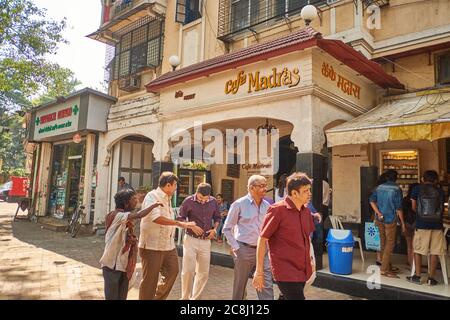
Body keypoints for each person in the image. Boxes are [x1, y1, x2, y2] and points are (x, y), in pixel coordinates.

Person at [253, 172, 316, 300]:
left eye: (309, 190)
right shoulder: (277, 210)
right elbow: (262, 239)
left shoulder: (306, 212)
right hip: (285, 271)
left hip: (303, 269)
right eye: (305, 191)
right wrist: (259, 272)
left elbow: (307, 239)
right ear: (294, 193)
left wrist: (311, 261)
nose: (309, 193)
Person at [138, 172, 198, 300]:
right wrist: (179, 223)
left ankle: (157, 298)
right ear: (168, 185)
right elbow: (156, 218)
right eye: (175, 185)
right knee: (150, 281)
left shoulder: (168, 198)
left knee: (173, 272)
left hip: (168, 246)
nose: (176, 188)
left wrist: (182, 224)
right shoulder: (152, 196)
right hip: (151, 246)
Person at [99, 189, 163, 300]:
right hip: (111, 265)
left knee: (122, 297)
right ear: (125, 203)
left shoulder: (124, 218)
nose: (136, 201)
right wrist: (154, 205)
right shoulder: (116, 215)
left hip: (123, 265)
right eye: (133, 199)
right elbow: (139, 214)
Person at [223, 175, 274, 300]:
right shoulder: (239, 204)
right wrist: (236, 247)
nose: (265, 189)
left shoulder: (267, 206)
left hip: (263, 251)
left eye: (265, 185)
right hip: (244, 250)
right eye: (261, 186)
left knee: (266, 284)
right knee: (240, 286)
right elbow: (227, 228)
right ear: (251, 188)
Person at [178, 183, 221, 300]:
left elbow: (217, 218)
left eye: (205, 199)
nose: (203, 201)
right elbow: (180, 218)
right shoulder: (188, 201)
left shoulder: (213, 202)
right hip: (190, 240)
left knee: (203, 273)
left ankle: (195, 299)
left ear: (209, 196)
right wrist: (190, 226)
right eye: (200, 198)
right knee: (188, 271)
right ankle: (185, 298)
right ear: (196, 192)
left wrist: (214, 230)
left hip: (206, 242)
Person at [407, 170, 446, 285]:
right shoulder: (440, 191)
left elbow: (414, 207)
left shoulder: (417, 189)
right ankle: (431, 278)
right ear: (435, 180)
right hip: (437, 225)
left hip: (421, 224)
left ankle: (417, 277)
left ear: (423, 179)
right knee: (435, 251)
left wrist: (421, 215)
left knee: (418, 250)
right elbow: (441, 208)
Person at [369, 170, 406, 278]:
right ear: (396, 178)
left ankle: (387, 265)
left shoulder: (379, 187)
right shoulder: (396, 189)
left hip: (379, 218)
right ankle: (384, 269)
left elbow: (371, 200)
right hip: (390, 219)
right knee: (390, 244)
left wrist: (378, 212)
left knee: (383, 242)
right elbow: (399, 207)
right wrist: (403, 222)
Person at [402, 183, 419, 267]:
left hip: (407, 223)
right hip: (417, 224)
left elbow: (401, 212)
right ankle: (414, 265)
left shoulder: (405, 199)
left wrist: (402, 223)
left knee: (409, 245)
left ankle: (410, 262)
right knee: (415, 246)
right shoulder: (419, 199)